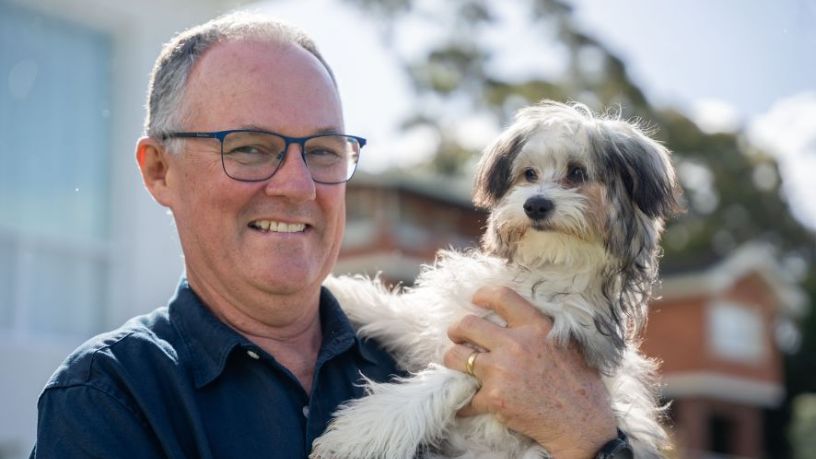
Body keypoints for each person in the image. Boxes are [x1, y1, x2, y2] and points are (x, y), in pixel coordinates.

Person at [31, 12, 621, 459]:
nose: (298, 185)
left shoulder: (442, 350)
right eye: (249, 148)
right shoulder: (108, 398)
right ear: (160, 170)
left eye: (322, 150)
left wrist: (590, 439)